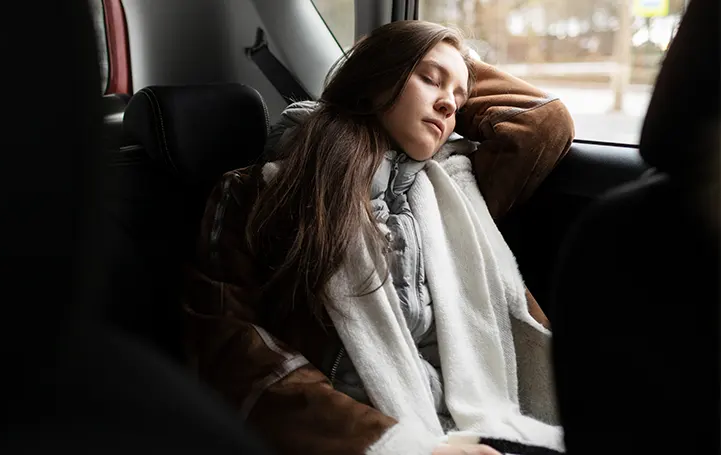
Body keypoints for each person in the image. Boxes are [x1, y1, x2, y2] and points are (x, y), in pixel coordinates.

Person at [182, 21, 574, 455]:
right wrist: (400, 447)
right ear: (374, 80)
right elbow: (233, 354)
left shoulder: (456, 186)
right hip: (366, 436)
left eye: (460, 99)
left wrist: (453, 68)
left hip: (476, 421)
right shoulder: (259, 193)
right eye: (429, 78)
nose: (449, 105)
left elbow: (542, 122)